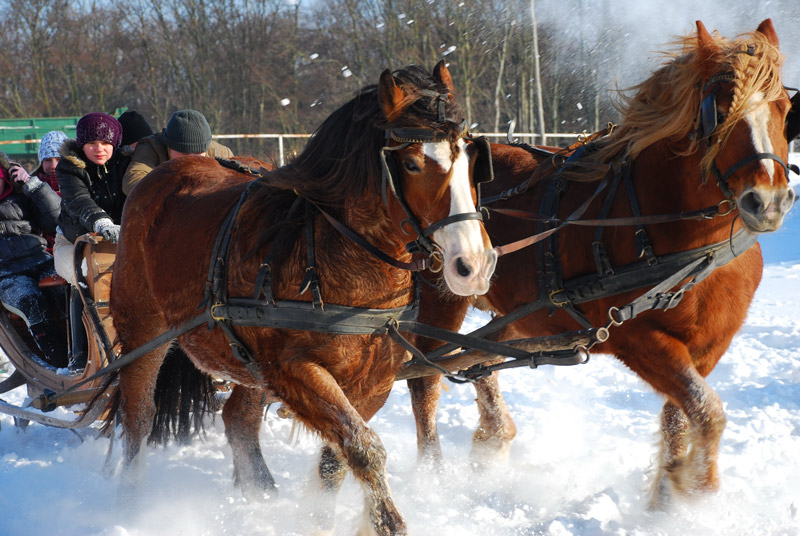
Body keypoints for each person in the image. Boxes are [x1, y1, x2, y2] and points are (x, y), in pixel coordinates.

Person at [0, 152, 66, 367]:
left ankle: (82, 353)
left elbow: (56, 218)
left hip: (41, 260)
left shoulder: (22, 196)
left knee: (68, 291)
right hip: (7, 273)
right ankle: (57, 363)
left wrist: (34, 186)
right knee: (30, 300)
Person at [122, 108, 233, 194]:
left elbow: (239, 185)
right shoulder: (152, 147)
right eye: (184, 153)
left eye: (198, 153)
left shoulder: (221, 154)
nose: (191, 159)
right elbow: (132, 182)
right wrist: (177, 191)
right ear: (169, 146)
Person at [8, 130, 69, 251]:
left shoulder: (77, 185)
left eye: (59, 159)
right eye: (47, 160)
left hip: (70, 250)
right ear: (41, 162)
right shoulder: (28, 188)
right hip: (42, 251)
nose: (53, 166)